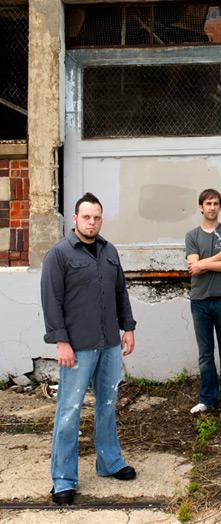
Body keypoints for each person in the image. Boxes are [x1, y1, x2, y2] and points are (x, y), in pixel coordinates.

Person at [41, 192, 137, 506]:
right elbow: (51, 301)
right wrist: (61, 342)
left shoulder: (109, 251)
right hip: (77, 347)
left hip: (109, 343)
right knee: (69, 411)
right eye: (86, 217)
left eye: (96, 217)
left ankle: (110, 462)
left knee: (107, 404)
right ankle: (63, 480)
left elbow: (120, 291)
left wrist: (128, 328)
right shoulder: (59, 254)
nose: (91, 223)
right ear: (75, 218)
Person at [185, 188, 221, 417]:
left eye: (215, 203)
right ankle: (207, 398)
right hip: (199, 301)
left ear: (220, 206)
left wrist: (203, 264)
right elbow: (193, 268)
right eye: (208, 203)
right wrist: (220, 256)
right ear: (200, 207)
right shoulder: (192, 236)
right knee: (205, 354)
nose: (212, 207)